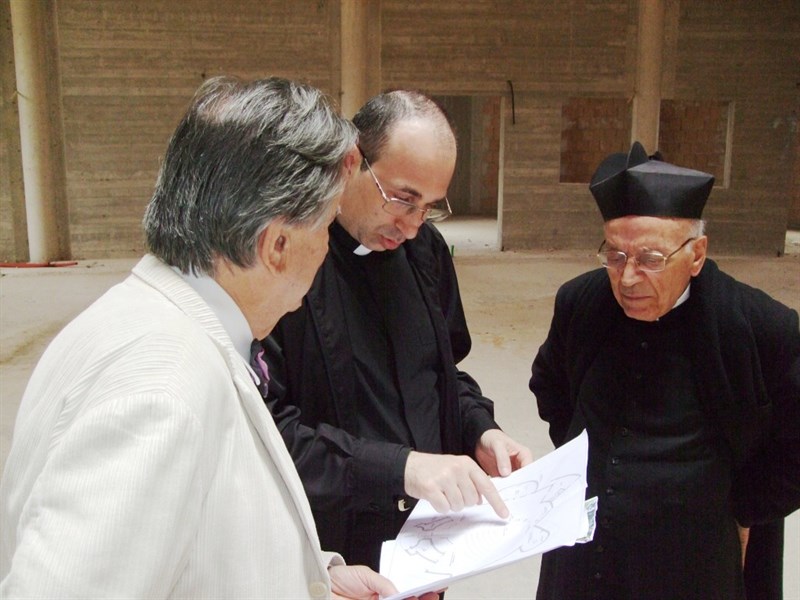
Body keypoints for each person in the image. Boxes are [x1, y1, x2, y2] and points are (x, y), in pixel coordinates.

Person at [0, 76, 421, 599]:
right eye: (326, 225)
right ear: (278, 245)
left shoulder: (163, 321)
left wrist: (315, 577)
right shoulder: (159, 392)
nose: (325, 250)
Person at [256, 89, 533, 571]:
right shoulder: (284, 265)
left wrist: (480, 431)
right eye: (402, 200)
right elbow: (266, 434)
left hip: (430, 539)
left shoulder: (426, 252)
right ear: (350, 163)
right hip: (334, 551)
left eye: (429, 207)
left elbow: (444, 376)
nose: (411, 225)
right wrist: (400, 468)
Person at [529, 141, 800, 600]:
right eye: (614, 255)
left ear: (696, 254)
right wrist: (588, 468)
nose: (628, 277)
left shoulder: (761, 327)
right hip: (585, 548)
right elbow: (551, 388)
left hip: (695, 560)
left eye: (651, 260)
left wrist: (745, 510)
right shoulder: (581, 303)